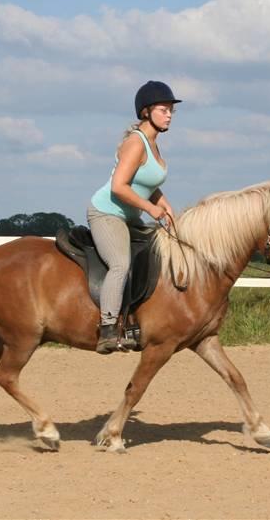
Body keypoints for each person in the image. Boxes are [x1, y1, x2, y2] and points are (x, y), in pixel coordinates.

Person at [88, 80, 182, 354]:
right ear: (146, 112)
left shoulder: (153, 145)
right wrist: (151, 209)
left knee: (154, 256)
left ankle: (135, 322)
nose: (169, 115)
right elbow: (119, 186)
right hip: (107, 213)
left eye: (170, 111)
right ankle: (107, 329)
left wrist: (165, 205)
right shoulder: (135, 143)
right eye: (164, 110)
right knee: (120, 264)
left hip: (128, 215)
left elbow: (147, 183)